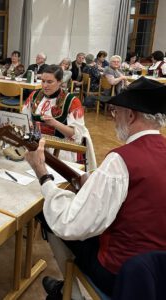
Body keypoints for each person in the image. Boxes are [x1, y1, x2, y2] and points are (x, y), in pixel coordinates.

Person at [25, 76, 166, 299]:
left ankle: (72, 289)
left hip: (123, 275)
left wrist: (43, 174)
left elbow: (70, 224)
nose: (113, 117)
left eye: (115, 111)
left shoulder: (121, 160)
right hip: (158, 271)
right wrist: (91, 180)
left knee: (49, 215)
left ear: (131, 115)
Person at [21, 64, 96, 170]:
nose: (45, 85)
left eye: (49, 82)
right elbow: (23, 117)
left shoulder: (72, 101)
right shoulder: (34, 95)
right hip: (35, 144)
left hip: (59, 147)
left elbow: (76, 135)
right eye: (43, 81)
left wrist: (55, 123)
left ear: (60, 82)